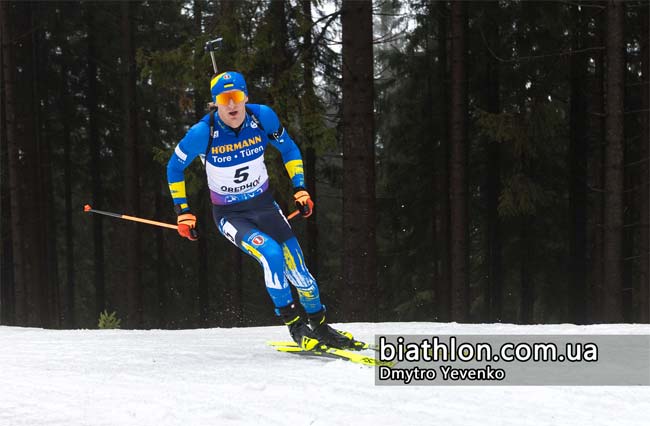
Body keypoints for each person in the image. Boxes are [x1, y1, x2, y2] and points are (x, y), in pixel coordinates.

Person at [167, 71, 357, 350]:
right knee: (271, 254)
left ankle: (320, 326)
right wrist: (182, 210)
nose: (231, 105)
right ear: (215, 102)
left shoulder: (262, 117)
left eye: (237, 97)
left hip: (265, 206)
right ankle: (296, 326)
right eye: (224, 99)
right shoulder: (202, 133)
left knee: (300, 273)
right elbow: (174, 167)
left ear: (246, 97)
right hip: (231, 215)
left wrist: (300, 188)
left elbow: (289, 149)